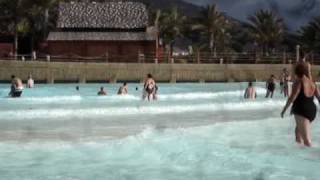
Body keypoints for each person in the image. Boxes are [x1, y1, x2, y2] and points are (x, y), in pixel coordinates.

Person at [281, 62, 320, 147]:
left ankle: (312, 158)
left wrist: (284, 110)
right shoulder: (312, 82)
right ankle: (300, 155)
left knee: (307, 141)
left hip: (302, 111)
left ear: (297, 71)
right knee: (297, 133)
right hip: (312, 111)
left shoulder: (299, 81)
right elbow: (319, 97)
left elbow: (292, 97)